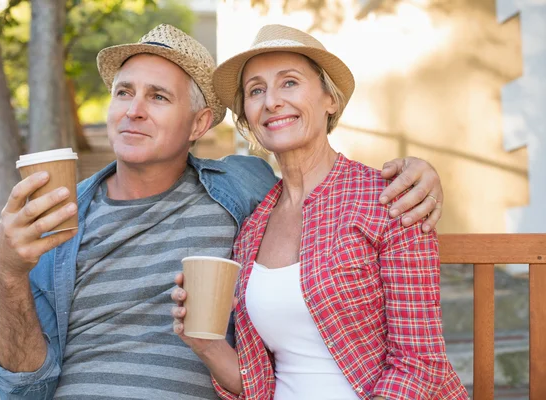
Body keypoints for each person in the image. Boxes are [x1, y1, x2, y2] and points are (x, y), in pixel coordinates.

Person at [0, 24, 444, 400]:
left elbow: (420, 363)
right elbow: (21, 387)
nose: (134, 111)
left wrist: (422, 173)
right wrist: (8, 271)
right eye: (124, 93)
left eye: (159, 97)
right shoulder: (61, 214)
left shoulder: (242, 192)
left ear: (201, 124)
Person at [171, 24, 467, 400]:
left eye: (290, 83)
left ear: (330, 98)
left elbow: (420, 364)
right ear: (247, 115)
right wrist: (206, 344)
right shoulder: (252, 227)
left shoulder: (391, 197)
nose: (272, 101)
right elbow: (260, 386)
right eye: (256, 90)